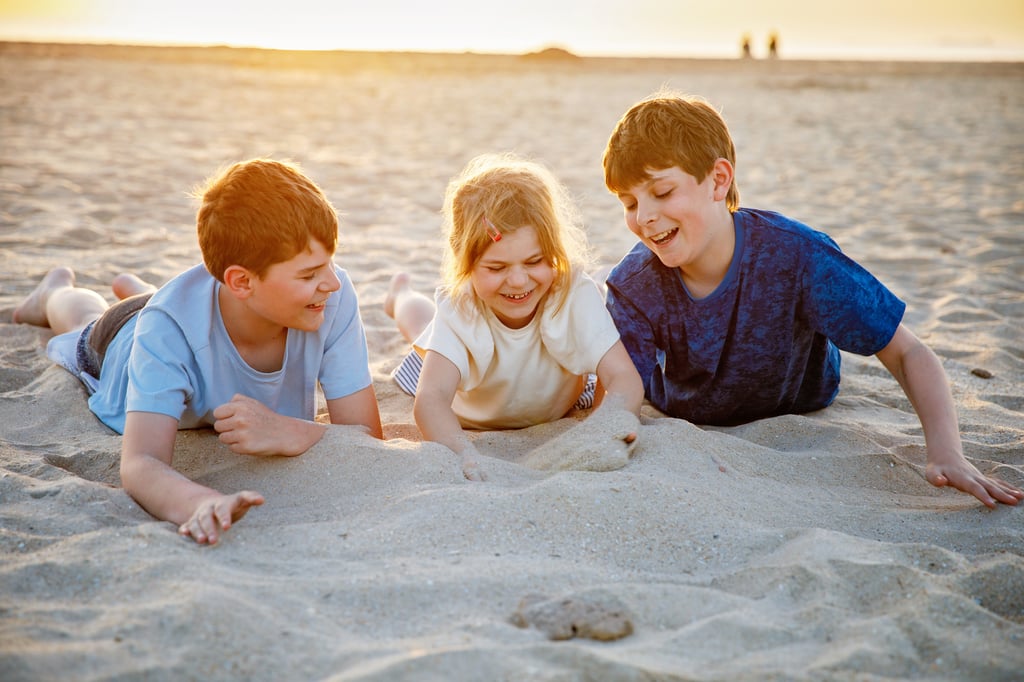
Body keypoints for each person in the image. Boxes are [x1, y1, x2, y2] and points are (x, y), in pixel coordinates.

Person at [601, 92, 1023, 509]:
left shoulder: (797, 255)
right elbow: (623, 391)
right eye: (630, 203)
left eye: (662, 191)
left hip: (803, 396)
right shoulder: (632, 284)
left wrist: (947, 451)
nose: (644, 217)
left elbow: (907, 350)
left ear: (718, 179)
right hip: (685, 406)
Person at [14, 158, 384, 544]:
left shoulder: (328, 296)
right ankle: (54, 292)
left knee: (164, 302)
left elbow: (366, 434)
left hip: (193, 304)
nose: (332, 282)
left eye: (329, 264)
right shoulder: (167, 330)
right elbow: (141, 463)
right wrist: (200, 502)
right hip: (121, 340)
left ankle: (136, 287)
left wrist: (293, 432)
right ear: (242, 281)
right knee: (86, 317)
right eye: (308, 275)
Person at [385, 153, 644, 480]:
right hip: (470, 409)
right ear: (465, 261)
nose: (519, 281)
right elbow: (430, 400)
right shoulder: (462, 306)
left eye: (535, 261)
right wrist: (464, 454)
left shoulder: (573, 292)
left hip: (560, 403)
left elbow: (624, 379)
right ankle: (401, 295)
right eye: (497, 267)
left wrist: (602, 429)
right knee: (421, 325)